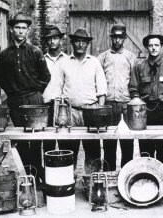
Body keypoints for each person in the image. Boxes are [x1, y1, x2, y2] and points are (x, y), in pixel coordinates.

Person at [0, 12, 51, 184]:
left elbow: (46, 76)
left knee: (35, 139)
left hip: (34, 100)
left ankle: (37, 174)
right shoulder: (4, 54)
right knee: (20, 139)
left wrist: (36, 92)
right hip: (15, 102)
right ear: (11, 30)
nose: (20, 31)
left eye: (23, 28)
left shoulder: (35, 52)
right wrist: (13, 93)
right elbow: (1, 79)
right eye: (17, 28)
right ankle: (26, 175)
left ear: (28, 31)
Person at [57, 28, 107, 174]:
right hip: (69, 112)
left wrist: (99, 112)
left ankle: (91, 183)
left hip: (90, 111)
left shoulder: (94, 62)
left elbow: (102, 89)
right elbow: (59, 88)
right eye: (77, 41)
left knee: (92, 150)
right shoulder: (64, 62)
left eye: (83, 42)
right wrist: (61, 113)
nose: (80, 44)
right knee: (67, 150)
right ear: (72, 43)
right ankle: (67, 182)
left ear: (87, 44)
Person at [129, 32, 163, 163]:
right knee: (146, 150)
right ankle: (147, 177)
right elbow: (133, 89)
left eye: (156, 45)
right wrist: (137, 105)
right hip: (145, 112)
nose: (153, 48)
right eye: (150, 45)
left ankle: (161, 177)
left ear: (162, 47)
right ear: (147, 47)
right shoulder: (139, 67)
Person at [97, 24, 136, 171]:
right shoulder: (103, 57)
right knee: (109, 143)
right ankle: (109, 175)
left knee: (127, 142)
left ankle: (126, 174)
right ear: (111, 37)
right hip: (108, 104)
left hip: (125, 104)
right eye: (115, 37)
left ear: (125, 38)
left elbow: (134, 81)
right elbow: (98, 80)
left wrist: (133, 101)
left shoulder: (130, 57)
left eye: (120, 37)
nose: (117, 40)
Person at [42, 25, 67, 153]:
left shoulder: (67, 60)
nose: (52, 41)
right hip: (45, 103)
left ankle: (65, 170)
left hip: (62, 105)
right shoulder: (41, 59)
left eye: (55, 38)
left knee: (64, 141)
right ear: (46, 41)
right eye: (49, 39)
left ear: (60, 40)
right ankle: (48, 171)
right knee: (47, 142)